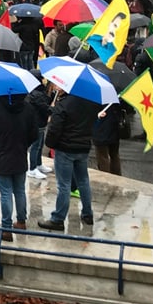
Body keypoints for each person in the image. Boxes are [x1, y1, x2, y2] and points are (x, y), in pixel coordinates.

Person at [38, 91, 101, 232]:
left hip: (65, 149)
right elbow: (93, 123)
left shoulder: (64, 104)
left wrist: (50, 143)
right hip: (83, 147)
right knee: (83, 181)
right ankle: (87, 214)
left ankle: (58, 219)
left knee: (64, 185)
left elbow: (55, 128)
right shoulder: (91, 102)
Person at [0, 93, 38, 241]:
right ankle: (21, 221)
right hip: (19, 155)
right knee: (19, 190)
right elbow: (34, 134)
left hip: (0, 156)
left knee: (5, 192)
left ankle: (6, 228)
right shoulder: (28, 108)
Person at [93, 103, 123, 175]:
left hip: (100, 128)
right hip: (114, 127)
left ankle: (106, 179)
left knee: (102, 157)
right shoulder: (117, 95)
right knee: (114, 155)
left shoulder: (97, 96)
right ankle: (117, 178)